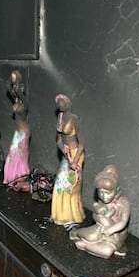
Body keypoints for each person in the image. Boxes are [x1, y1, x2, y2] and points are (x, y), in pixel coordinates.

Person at [69, 165, 130, 259]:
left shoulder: (124, 203)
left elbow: (123, 222)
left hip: (115, 236)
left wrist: (111, 230)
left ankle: (84, 245)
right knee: (91, 237)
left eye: (108, 193)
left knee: (107, 251)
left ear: (116, 190)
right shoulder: (102, 201)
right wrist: (99, 216)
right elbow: (95, 215)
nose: (104, 196)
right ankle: (76, 233)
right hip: (100, 229)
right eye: (101, 192)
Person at [50, 94, 85, 229]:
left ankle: (72, 217)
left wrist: (75, 162)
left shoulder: (74, 119)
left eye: (62, 101)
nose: (60, 104)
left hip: (76, 154)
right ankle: (60, 215)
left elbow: (82, 144)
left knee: (71, 186)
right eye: (58, 102)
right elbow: (58, 140)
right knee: (60, 184)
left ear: (68, 103)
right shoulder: (60, 117)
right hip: (67, 155)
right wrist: (62, 147)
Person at [3, 70, 30, 184]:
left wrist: (17, 80)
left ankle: (21, 177)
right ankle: (11, 178)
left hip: (24, 132)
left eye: (15, 79)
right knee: (12, 155)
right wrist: (11, 77)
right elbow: (7, 86)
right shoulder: (16, 101)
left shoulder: (24, 104)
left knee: (21, 156)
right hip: (18, 132)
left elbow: (17, 91)